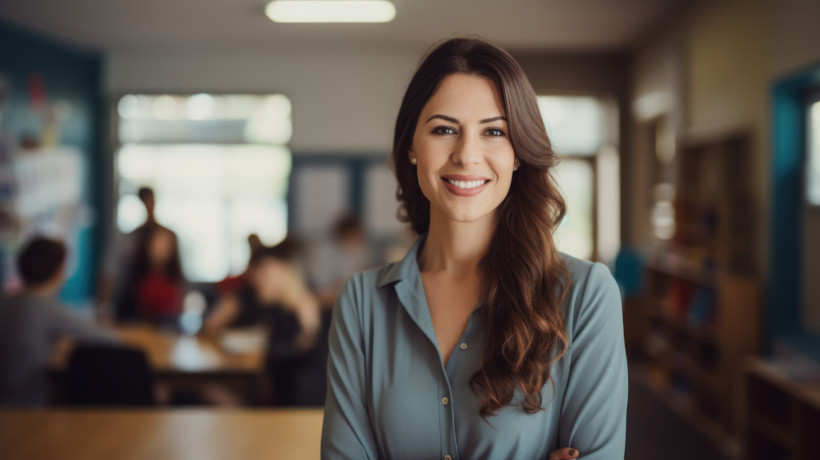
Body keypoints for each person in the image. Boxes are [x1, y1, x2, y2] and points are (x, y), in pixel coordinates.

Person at [321, 37, 628, 460]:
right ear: (412, 146)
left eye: (494, 132)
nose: (467, 155)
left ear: (518, 152)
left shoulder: (585, 296)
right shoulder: (361, 305)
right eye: (444, 129)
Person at [0, 237, 118, 407]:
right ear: (59, 272)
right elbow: (110, 339)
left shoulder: (5, 303)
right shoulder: (44, 308)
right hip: (26, 417)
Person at [131, 226, 185, 325]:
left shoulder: (175, 282)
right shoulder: (136, 278)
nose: (161, 248)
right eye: (157, 243)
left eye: (166, 244)